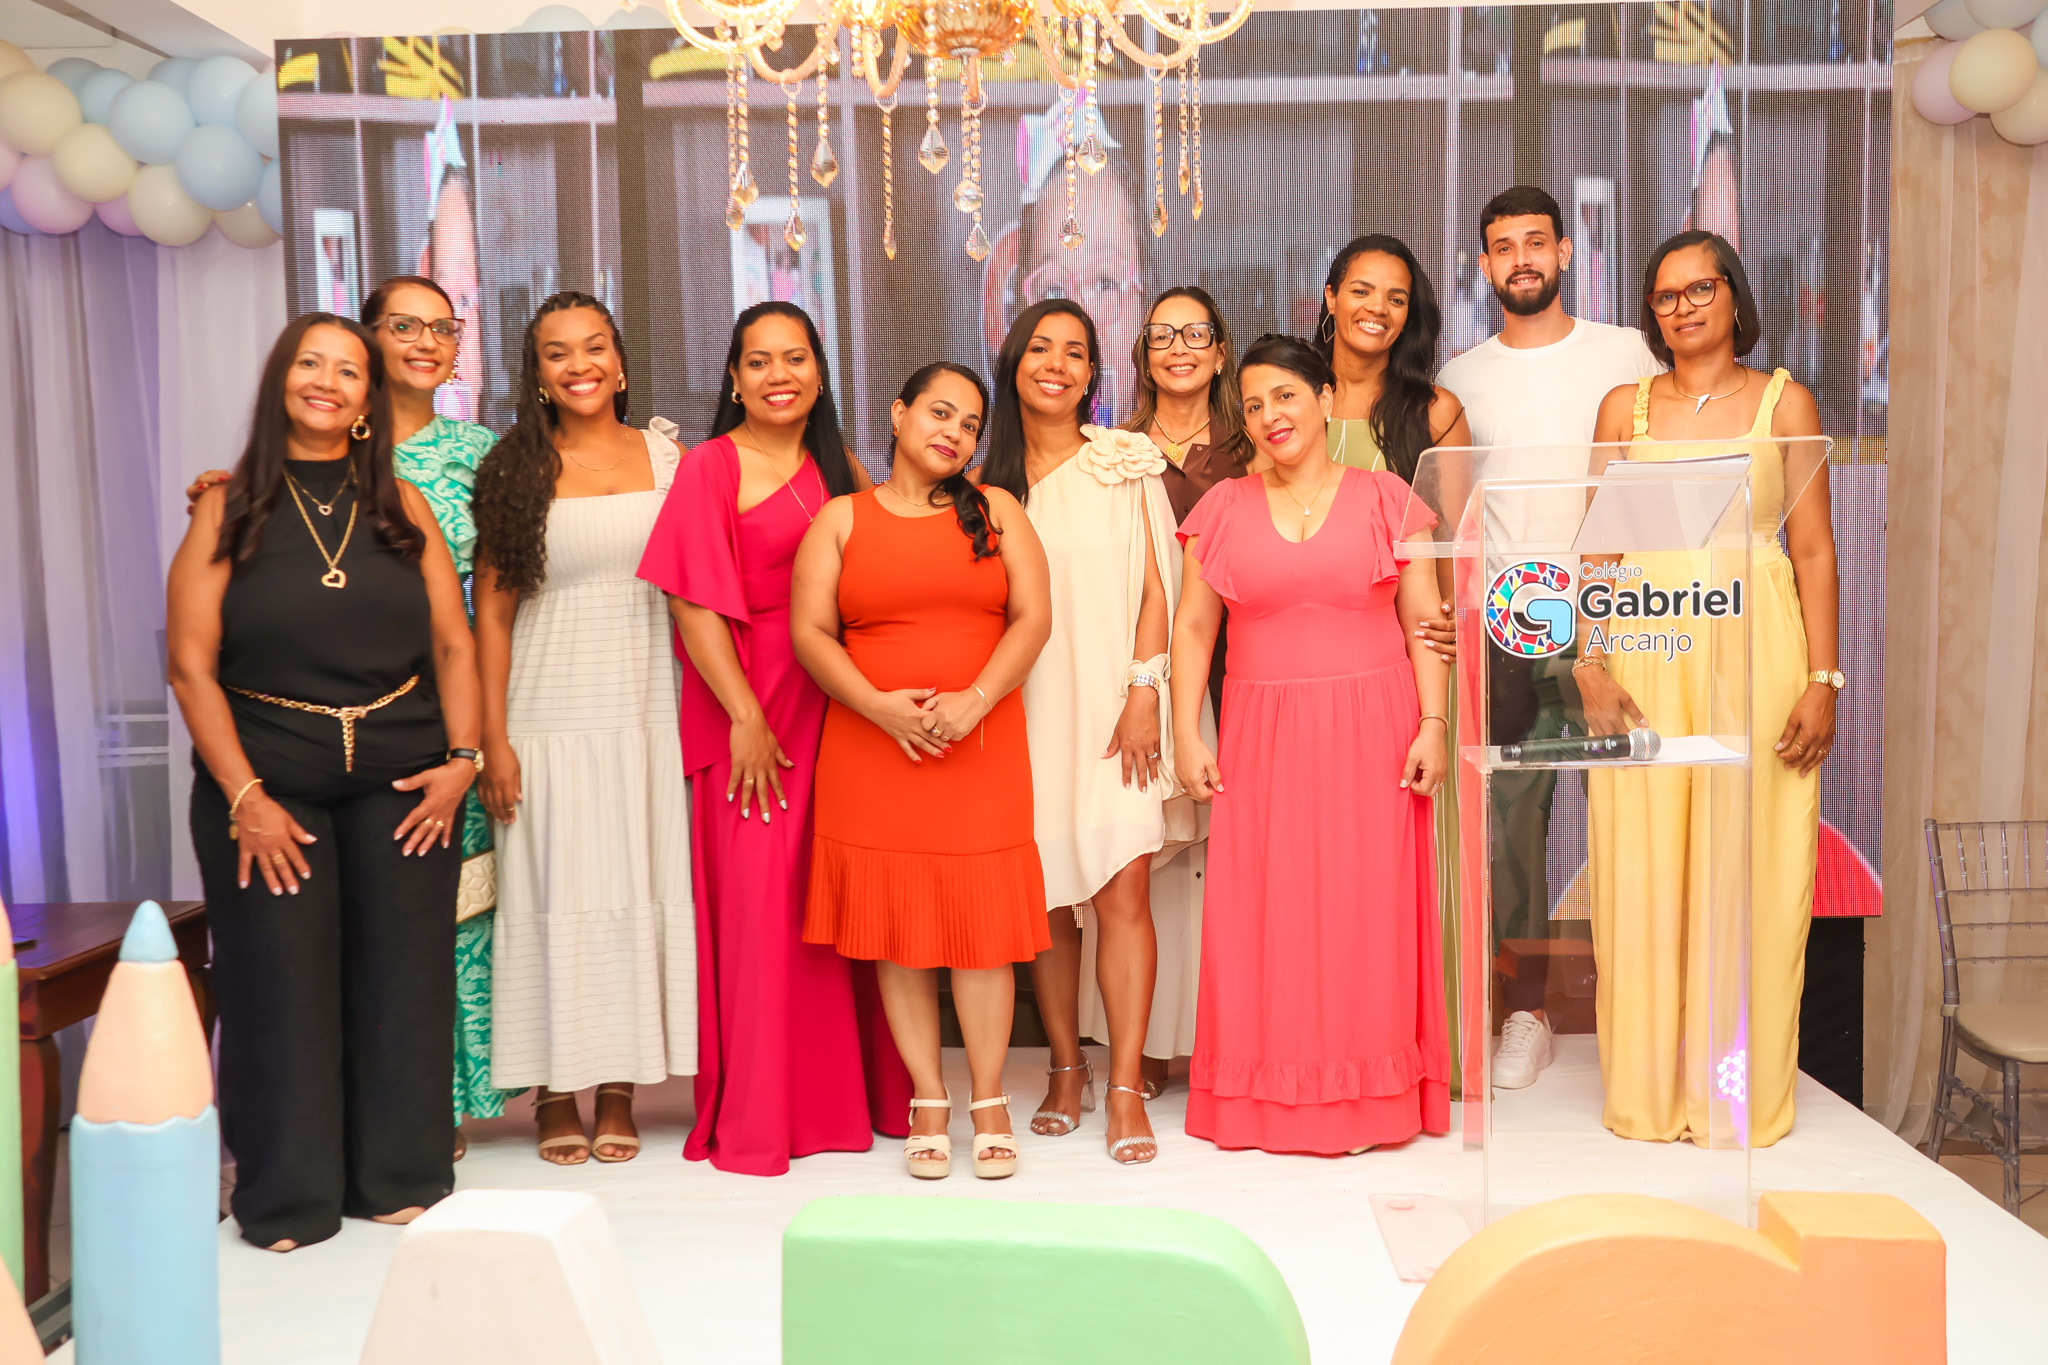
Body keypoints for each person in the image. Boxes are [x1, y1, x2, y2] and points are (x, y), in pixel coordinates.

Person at [166, 313, 480, 1249]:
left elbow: (454, 643)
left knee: (404, 981)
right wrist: (245, 797)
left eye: (349, 371)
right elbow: (190, 665)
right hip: (268, 786)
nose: (328, 382)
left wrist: (462, 762)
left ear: (366, 400)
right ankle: (287, 1196)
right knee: (279, 985)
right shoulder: (226, 506)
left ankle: (398, 1174)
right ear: (281, 381)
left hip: (405, 781)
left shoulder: (403, 506)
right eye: (311, 363)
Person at [637, 301, 909, 1177]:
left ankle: (847, 1100)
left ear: (820, 374)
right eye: (758, 361)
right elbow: (691, 601)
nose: (777, 375)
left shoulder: (844, 470)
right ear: (733, 377)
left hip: (836, 705)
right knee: (762, 911)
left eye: (795, 358)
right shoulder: (711, 466)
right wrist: (745, 715)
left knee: (836, 901)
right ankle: (764, 1112)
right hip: (747, 702)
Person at [1579, 230, 1836, 1148]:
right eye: (1665, 294)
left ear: (1734, 295)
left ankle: (1730, 1092)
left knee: (1748, 860)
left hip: (1756, 645)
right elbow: (1597, 547)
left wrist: (1824, 679)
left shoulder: (1784, 400)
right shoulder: (1624, 407)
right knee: (1643, 863)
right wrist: (1588, 662)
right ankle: (1651, 1092)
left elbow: (1814, 550)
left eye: (1700, 288)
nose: (1682, 306)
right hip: (1646, 645)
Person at [1170, 333, 1451, 1155]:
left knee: (1369, 914)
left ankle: (1371, 1096)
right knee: (1270, 915)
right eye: (1254, 405)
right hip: (1261, 736)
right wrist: (1187, 731)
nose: (1270, 416)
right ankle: (1270, 1096)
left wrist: (1433, 723)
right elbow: (1194, 629)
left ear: (1326, 399)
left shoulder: (1389, 496)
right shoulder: (1222, 509)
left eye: (1285, 396)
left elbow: (1424, 621)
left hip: (1376, 729)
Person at [793, 362, 1053, 1179]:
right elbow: (810, 633)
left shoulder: (998, 510)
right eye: (940, 413)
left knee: (984, 935)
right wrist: (880, 707)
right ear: (899, 413)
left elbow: (1034, 618)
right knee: (897, 932)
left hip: (980, 747)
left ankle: (989, 1098)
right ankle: (928, 1100)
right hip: (874, 751)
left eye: (970, 424)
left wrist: (977, 699)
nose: (954, 433)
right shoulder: (841, 518)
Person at [1434, 185, 1664, 1091]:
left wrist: (1603, 626)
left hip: (1615, 618)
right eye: (1504, 246)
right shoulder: (1460, 377)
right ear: (1484, 264)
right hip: (1510, 624)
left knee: (1633, 816)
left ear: (1565, 251)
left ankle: (1647, 1006)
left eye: (1537, 241)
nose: (1521, 258)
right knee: (1515, 830)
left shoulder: (1626, 353)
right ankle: (1525, 1010)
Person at [470, 291, 694, 1166]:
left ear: (621, 361)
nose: (579, 365)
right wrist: (494, 740)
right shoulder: (515, 467)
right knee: (550, 892)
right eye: (557, 352)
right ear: (537, 374)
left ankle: (619, 1089)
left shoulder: (668, 459)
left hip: (643, 707)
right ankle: (555, 1093)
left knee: (634, 880)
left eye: (594, 346)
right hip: (545, 713)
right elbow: (492, 615)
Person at [979, 299, 1184, 1166]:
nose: (1056, 364)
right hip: (1022, 713)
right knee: (1047, 902)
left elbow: (1160, 588)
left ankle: (1126, 1084)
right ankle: (1067, 1068)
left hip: (1115, 709)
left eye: (1074, 351)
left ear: (1093, 373)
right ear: (1013, 362)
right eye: (1040, 348)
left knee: (1121, 892)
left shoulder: (1122, 461)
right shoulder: (982, 486)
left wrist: (1144, 692)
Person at [1312, 233, 1465, 1097]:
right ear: (1331, 296)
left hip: (1405, 668)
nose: (1376, 308)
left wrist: (1442, 651)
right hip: (1295, 673)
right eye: (1362, 289)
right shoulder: (1288, 394)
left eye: (1396, 297)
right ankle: (1319, 1044)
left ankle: (1408, 1053)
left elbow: (1456, 553)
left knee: (1393, 873)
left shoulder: (1432, 412)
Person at [1094, 284, 1249, 1101]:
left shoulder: (1253, 446)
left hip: (1242, 670)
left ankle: (1230, 1036)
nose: (1180, 348)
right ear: (1143, 353)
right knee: (1151, 860)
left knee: (1231, 866)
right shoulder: (1113, 452)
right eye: (1162, 335)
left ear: (1221, 351)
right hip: (1143, 675)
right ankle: (1147, 1043)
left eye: (1196, 334)